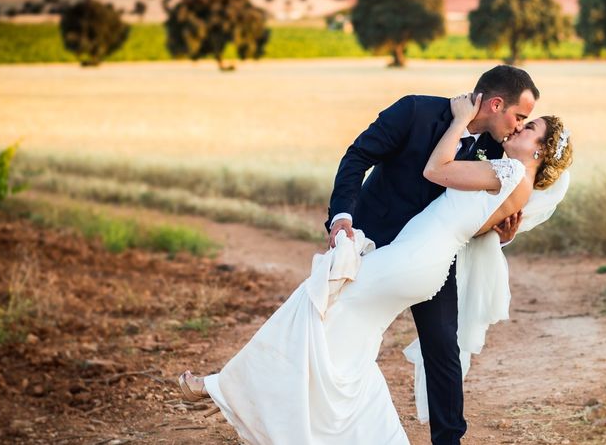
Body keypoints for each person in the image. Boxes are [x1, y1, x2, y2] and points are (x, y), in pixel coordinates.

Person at [176, 69, 573, 445]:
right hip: (378, 238)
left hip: (422, 258)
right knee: (339, 328)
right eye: (521, 116)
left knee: (436, 348)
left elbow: (472, 209)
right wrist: (342, 218)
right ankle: (339, 423)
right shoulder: (416, 110)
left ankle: (446, 440)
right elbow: (357, 157)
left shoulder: (498, 151)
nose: (520, 125)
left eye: (529, 123)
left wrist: (502, 234)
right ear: (495, 103)